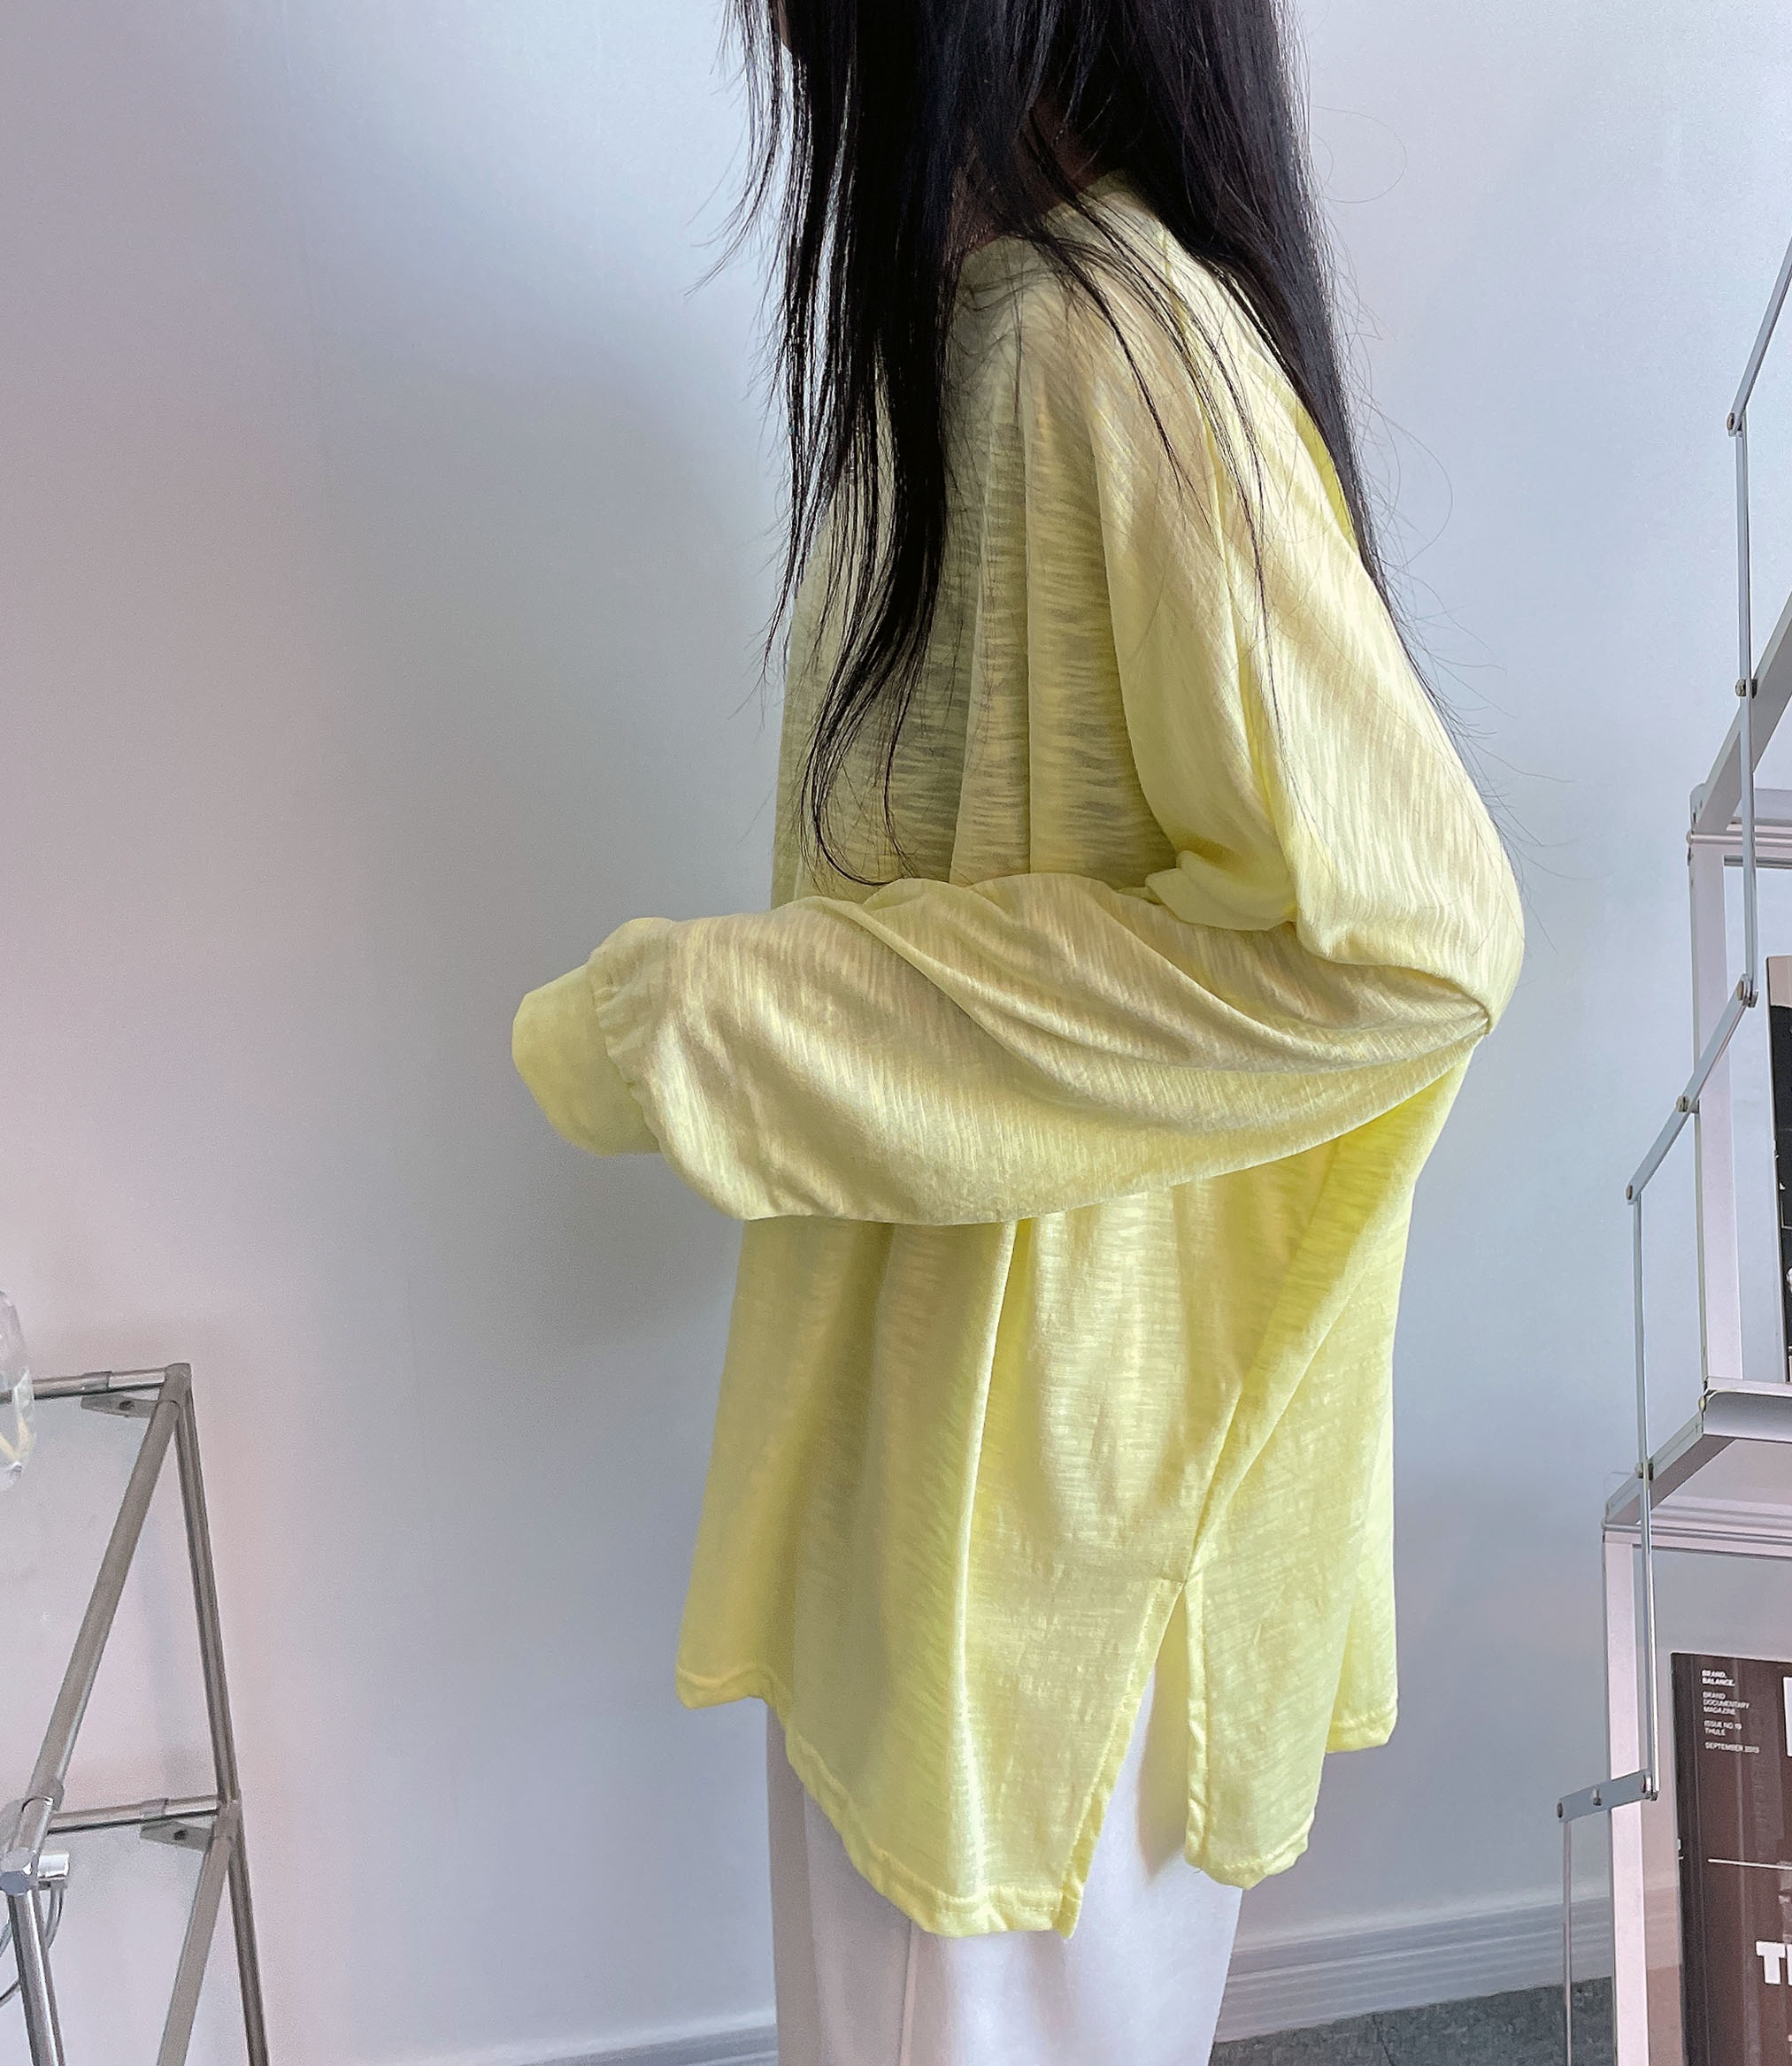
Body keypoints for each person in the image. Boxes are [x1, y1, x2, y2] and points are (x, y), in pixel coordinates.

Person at [511, 0, 1524, 2057]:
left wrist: (721, 1020)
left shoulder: (1098, 348)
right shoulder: (1010, 332)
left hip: (1039, 1542)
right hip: (988, 1506)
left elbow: (1409, 946)